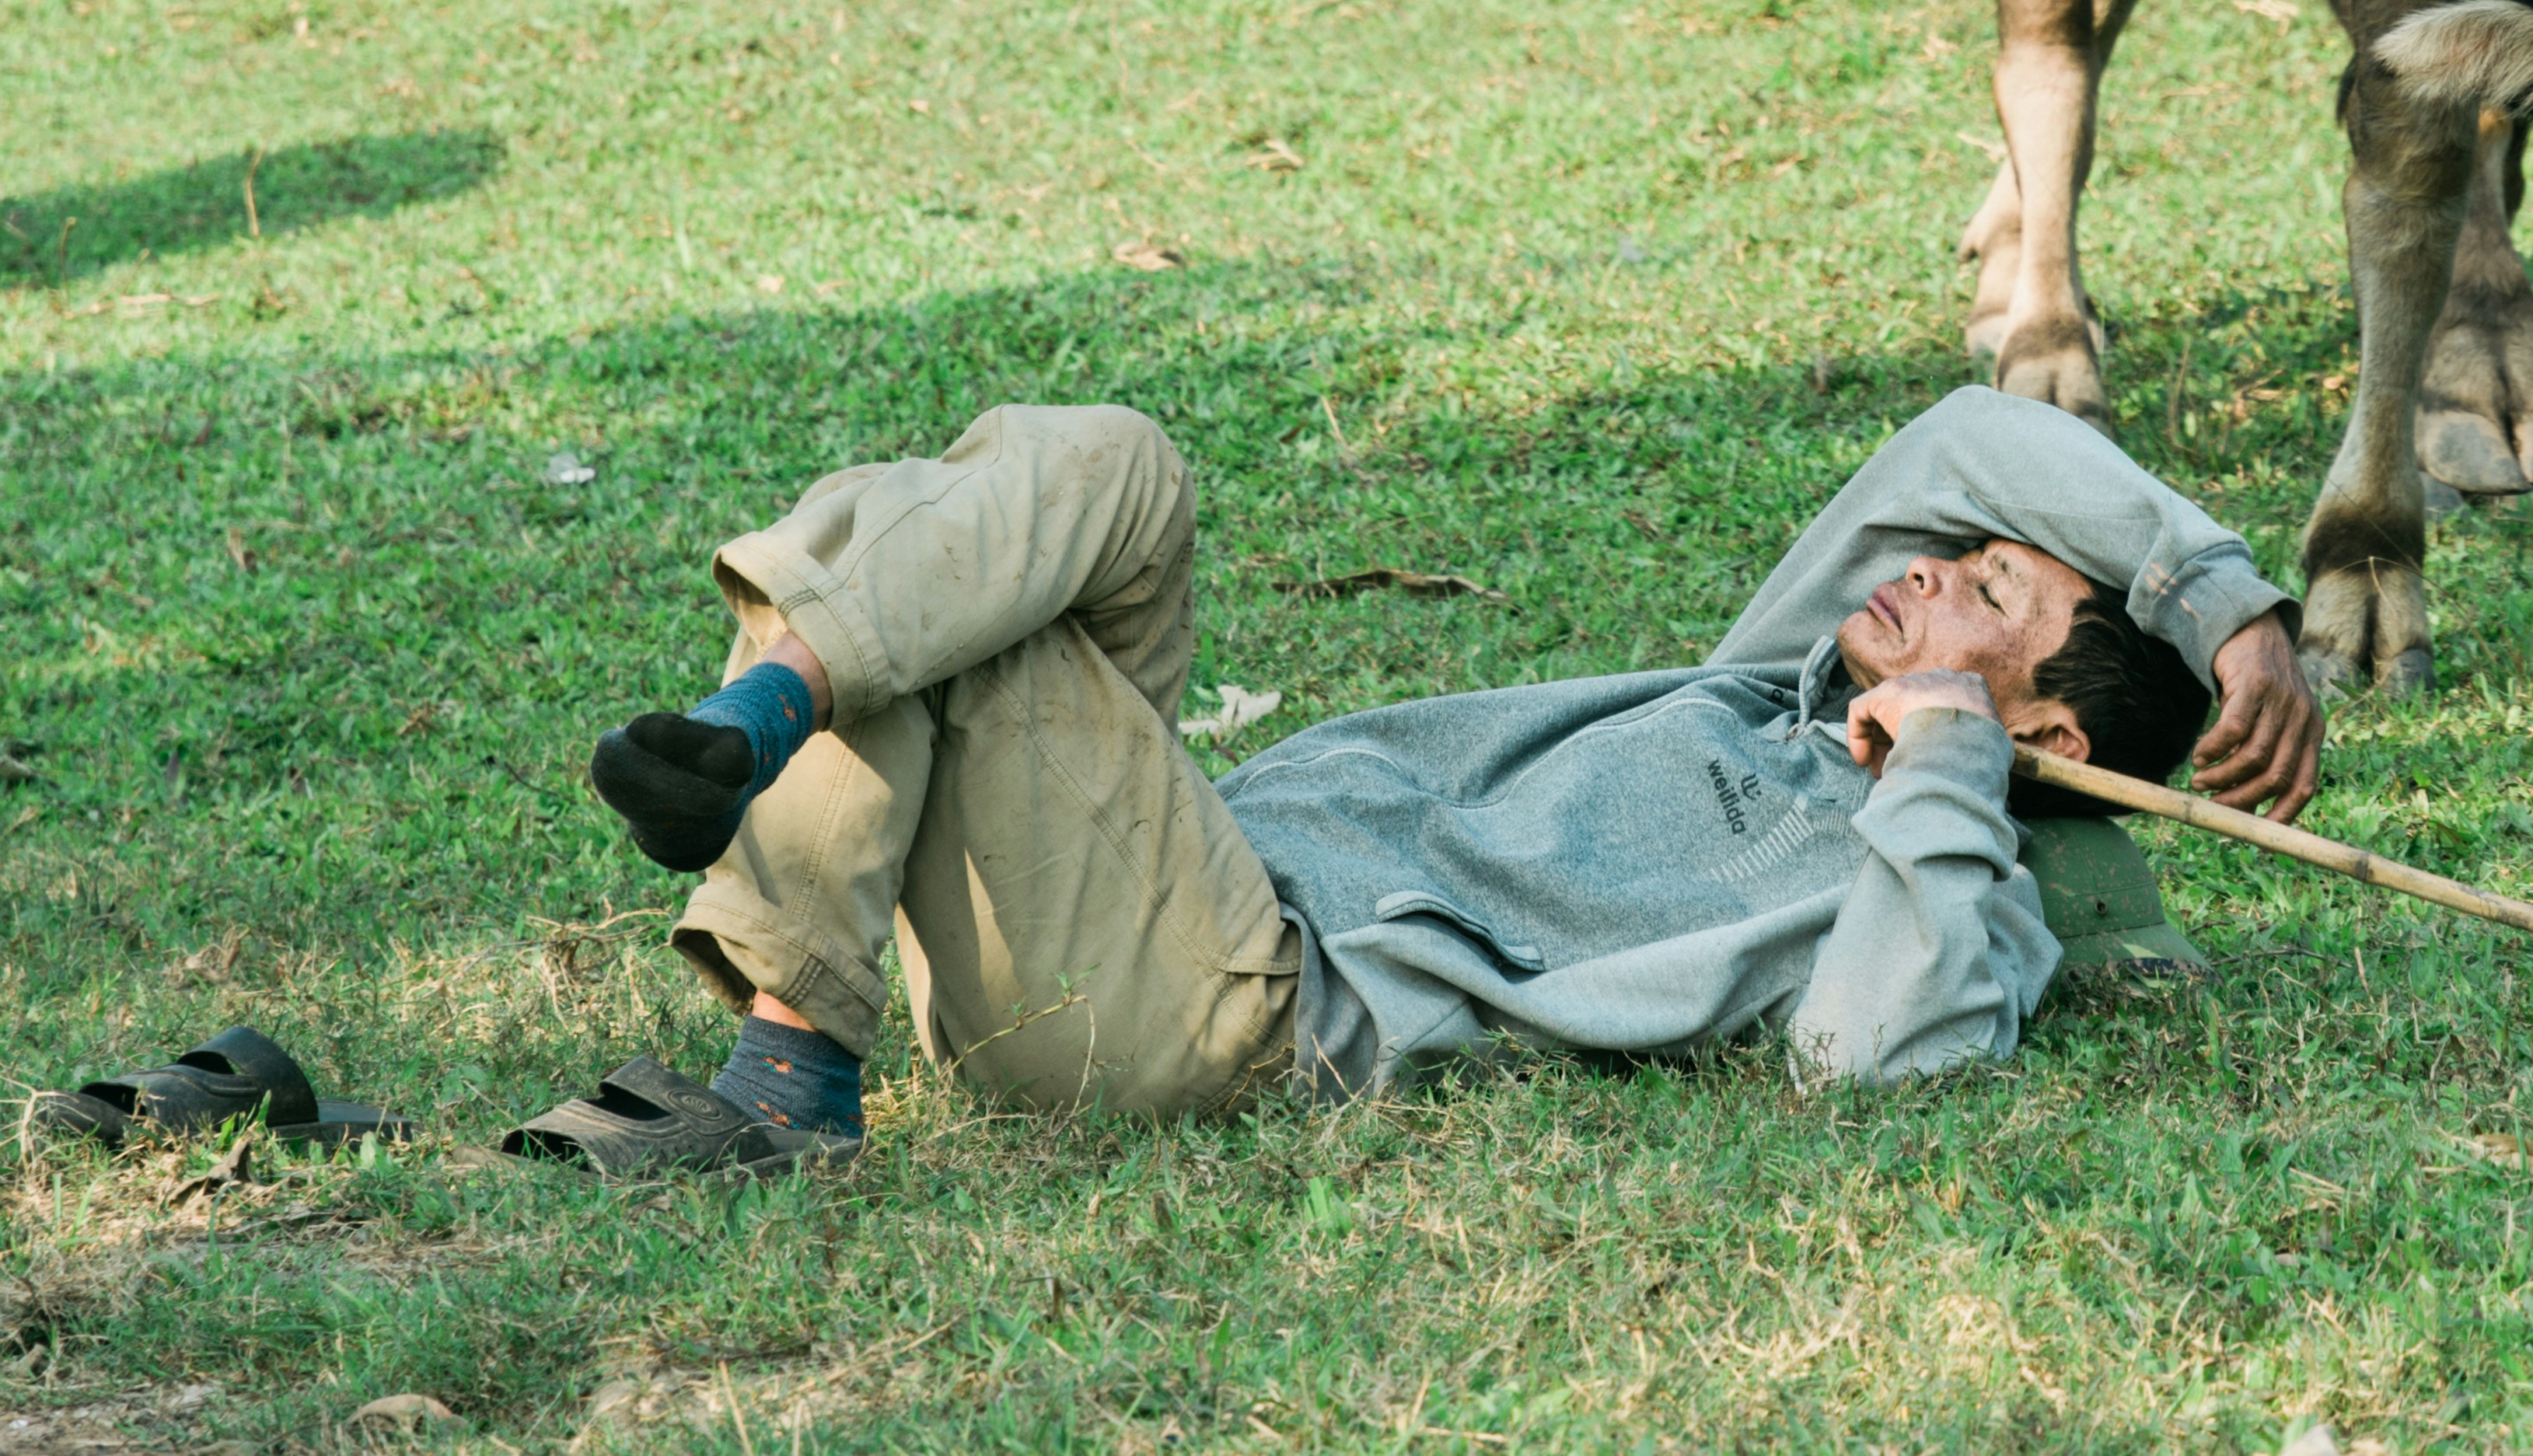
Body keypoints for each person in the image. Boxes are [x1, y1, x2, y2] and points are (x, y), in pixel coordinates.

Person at [490, 387, 2323, 1172]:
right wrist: (2214, 600)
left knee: (966, 606)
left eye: (1985, 590)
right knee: (1096, 482)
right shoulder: (1761, 682)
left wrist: (1939, 758)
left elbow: (1873, 1056)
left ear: (2051, 741)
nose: (1927, 561)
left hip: (1235, 1000)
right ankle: (773, 725)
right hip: (1167, 878)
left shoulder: (1946, 887)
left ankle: (788, 1037)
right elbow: (1964, 435)